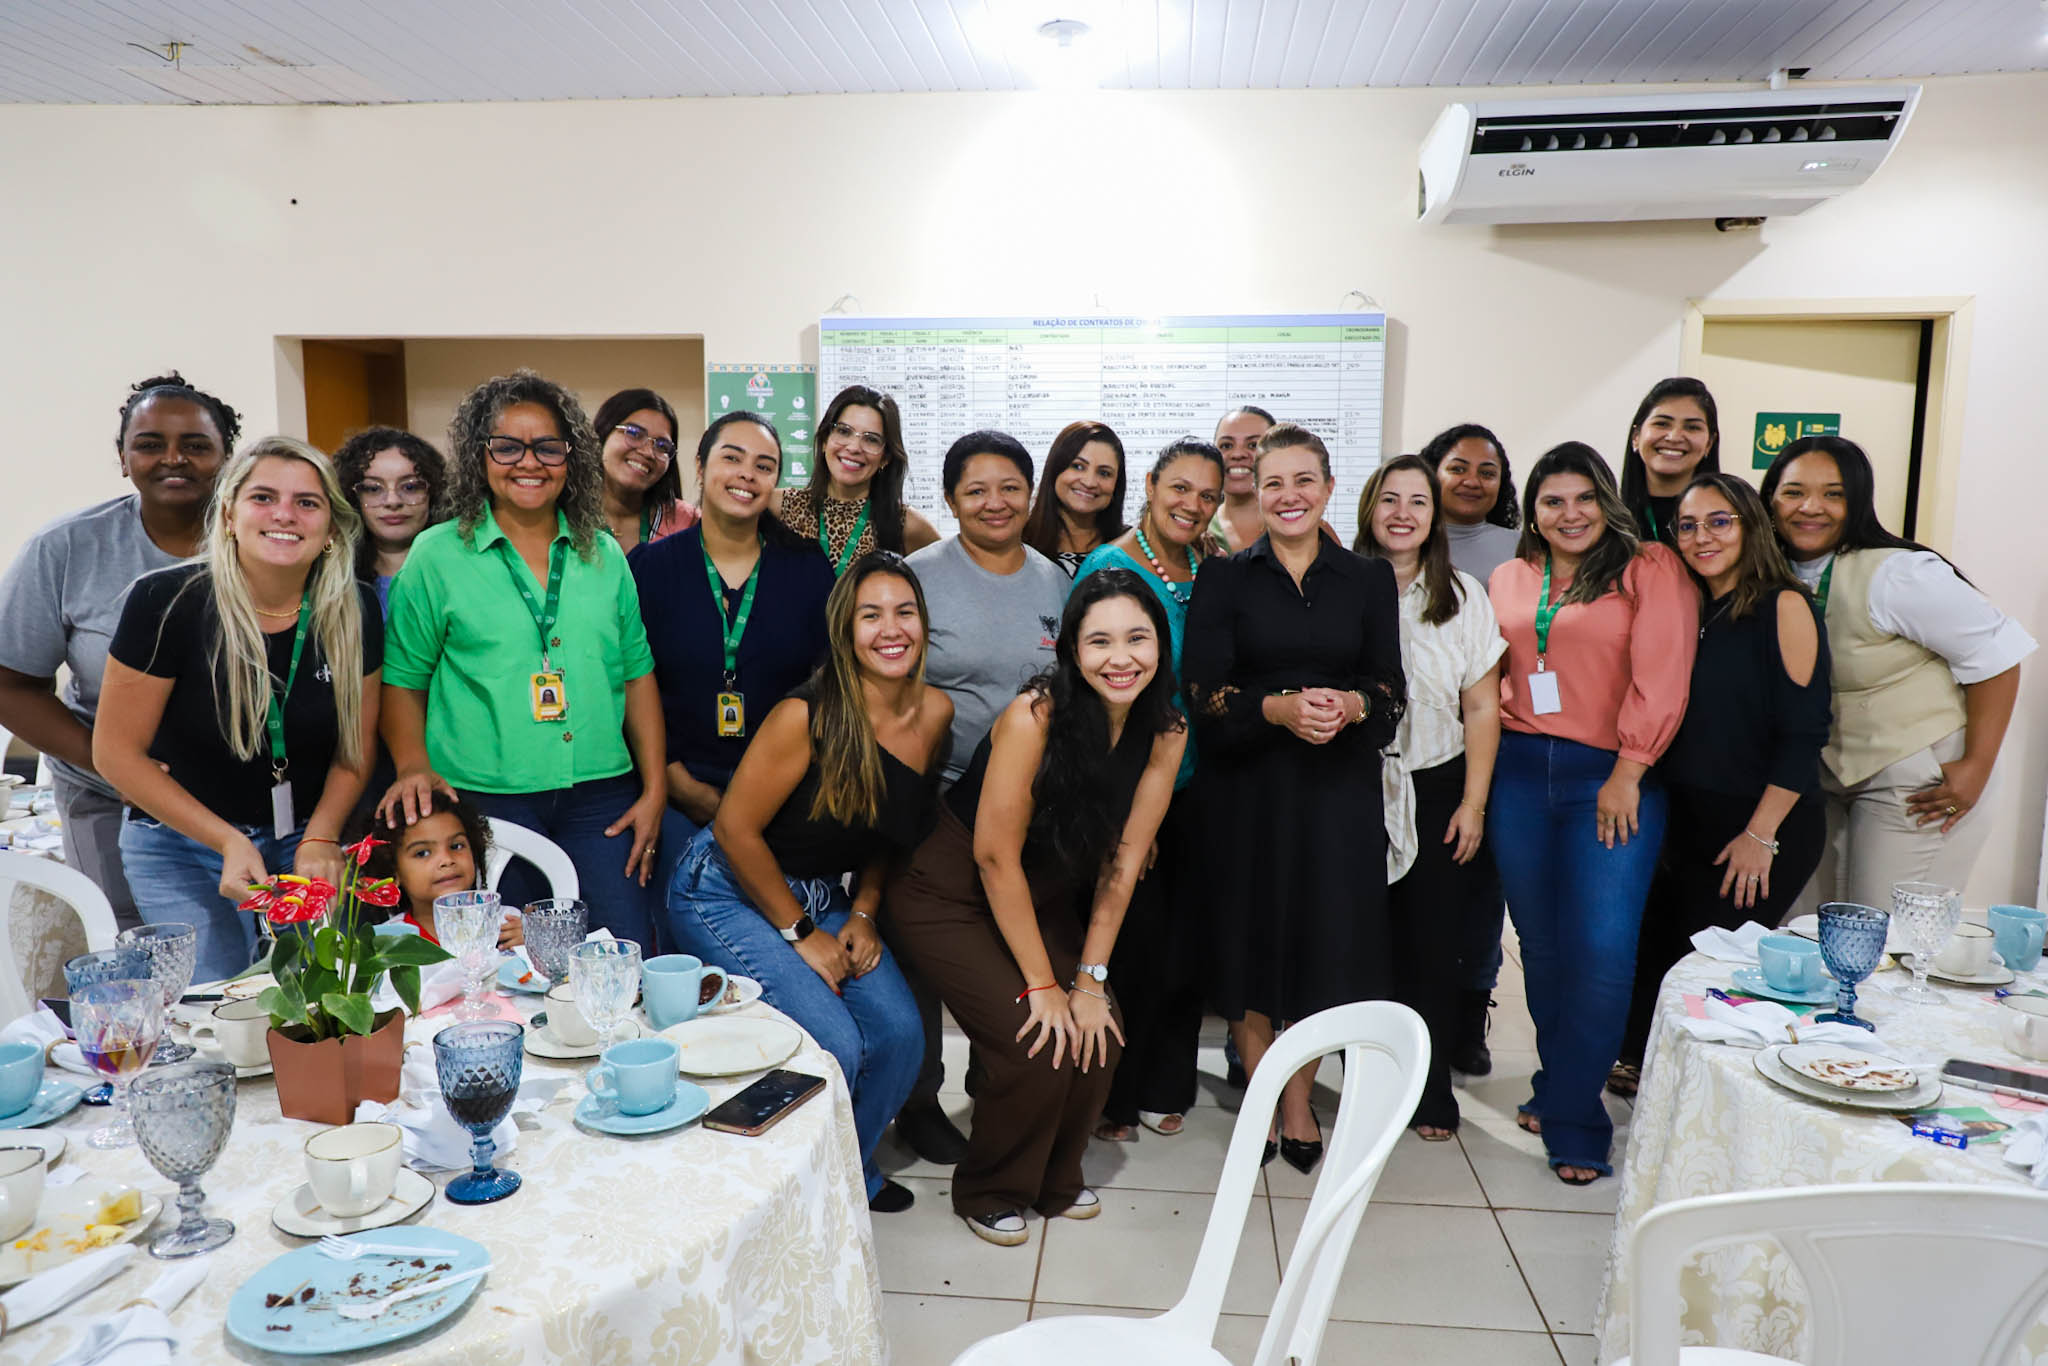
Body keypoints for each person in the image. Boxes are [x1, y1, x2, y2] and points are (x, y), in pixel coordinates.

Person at [889, 570, 1184, 1243]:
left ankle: (1055, 1175)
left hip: (1037, 889)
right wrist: (1045, 985)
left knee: (1099, 1032)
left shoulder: (1166, 731)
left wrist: (1089, 981)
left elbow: (1123, 864)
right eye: (1100, 641)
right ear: (1072, 649)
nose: (1120, 658)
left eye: (1137, 639)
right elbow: (994, 858)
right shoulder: (1035, 716)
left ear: (1160, 646)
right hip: (947, 888)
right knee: (1035, 1037)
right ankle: (991, 1188)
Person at [668, 553, 942, 1213]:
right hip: (723, 889)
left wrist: (865, 912)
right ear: (845, 632)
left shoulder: (935, 713)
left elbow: (894, 830)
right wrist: (800, 932)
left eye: (904, 611)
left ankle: (841, 1178)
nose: (891, 629)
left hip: (821, 892)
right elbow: (734, 828)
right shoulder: (807, 714)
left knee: (902, 1034)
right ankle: (788, 1202)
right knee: (835, 1043)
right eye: (870, 615)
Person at [1183, 423, 1406, 1175]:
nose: (1288, 495)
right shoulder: (1224, 578)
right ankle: (1263, 1097)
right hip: (1249, 790)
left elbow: (1390, 690)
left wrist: (1352, 704)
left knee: (1323, 947)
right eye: (1273, 481)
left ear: (1329, 488)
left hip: (1338, 792)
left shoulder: (1368, 580)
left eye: (1304, 480)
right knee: (1253, 945)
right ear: (1254, 489)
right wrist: (1277, 709)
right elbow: (1203, 693)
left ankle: (1298, 1104)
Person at [378, 371, 666, 949]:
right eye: (507, 446)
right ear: (479, 455)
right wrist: (412, 767)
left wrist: (654, 789)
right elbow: (403, 681)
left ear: (571, 457)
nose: (528, 462)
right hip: (484, 798)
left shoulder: (603, 554)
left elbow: (637, 676)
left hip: (603, 798)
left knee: (617, 954)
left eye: (547, 447)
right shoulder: (437, 555)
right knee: (510, 965)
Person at [94, 437, 381, 983]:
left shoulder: (355, 606)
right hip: (182, 842)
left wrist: (321, 836)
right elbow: (114, 753)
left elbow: (356, 748)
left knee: (328, 999)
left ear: (330, 528)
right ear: (229, 515)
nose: (284, 515)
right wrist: (227, 839)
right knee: (218, 1007)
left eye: (307, 502)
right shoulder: (166, 602)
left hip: (305, 833)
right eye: (263, 497)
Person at [1486, 442, 1697, 1184]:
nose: (1569, 513)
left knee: (1601, 951)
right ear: (1533, 511)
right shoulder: (1511, 576)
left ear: (1606, 501)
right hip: (1517, 772)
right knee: (1542, 948)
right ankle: (1559, 1083)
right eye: (1553, 500)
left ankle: (1577, 1120)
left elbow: (1664, 675)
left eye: (1583, 498)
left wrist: (1630, 769)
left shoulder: (1648, 567)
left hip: (1609, 777)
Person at [0, 373, 239, 935]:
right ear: (124, 457)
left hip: (242, 791)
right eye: (150, 444)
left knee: (255, 951)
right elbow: (11, 684)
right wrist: (113, 764)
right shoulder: (66, 548)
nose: (173, 459)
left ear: (227, 457)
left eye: (196, 445)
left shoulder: (264, 540)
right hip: (113, 799)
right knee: (141, 949)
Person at [1614, 474, 1830, 1095]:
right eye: (1687, 525)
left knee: (1714, 969)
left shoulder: (1783, 606)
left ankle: (1707, 1097)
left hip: (1760, 824)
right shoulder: (1690, 609)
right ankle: (1648, 1075)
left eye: (1719, 521)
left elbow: (1804, 735)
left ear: (1750, 526)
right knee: (1657, 954)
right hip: (1685, 821)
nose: (1701, 536)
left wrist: (1759, 836)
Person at [1762, 435, 2034, 910]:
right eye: (1793, 492)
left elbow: (1998, 657)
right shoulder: (1769, 574)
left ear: (1858, 502)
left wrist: (1976, 767)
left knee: (1888, 930)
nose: (1810, 507)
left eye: (1833, 493)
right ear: (1770, 500)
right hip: (1829, 778)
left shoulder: (1896, 574)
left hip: (1919, 778)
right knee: (1814, 927)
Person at [1072, 437, 1223, 1142]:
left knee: (1185, 943)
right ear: (1153, 485)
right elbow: (1089, 685)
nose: (1192, 504)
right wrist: (1130, 811)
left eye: (1208, 495)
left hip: (1201, 780)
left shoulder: (1210, 566)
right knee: (1134, 939)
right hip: (1133, 785)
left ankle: (1167, 1083)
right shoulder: (1110, 567)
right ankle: (1115, 1096)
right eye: (1180, 488)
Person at [1353, 455, 1505, 1139]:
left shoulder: (1464, 595)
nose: (1403, 513)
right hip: (1356, 784)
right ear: (1369, 508)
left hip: (1439, 781)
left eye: (1418, 501)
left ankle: (1428, 1088)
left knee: (1432, 944)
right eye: (1390, 499)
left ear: (1434, 516)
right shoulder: (1340, 584)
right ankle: (1366, 1084)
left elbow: (1482, 706)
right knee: (1362, 945)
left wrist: (1473, 804)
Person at [632, 412, 835, 892]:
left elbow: (828, 686)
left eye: (764, 466)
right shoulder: (649, 568)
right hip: (677, 785)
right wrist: (675, 782)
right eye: (732, 458)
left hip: (782, 789)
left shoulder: (808, 569)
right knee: (684, 903)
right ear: (700, 466)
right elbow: (630, 684)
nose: (747, 474)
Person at [1417, 421, 1519, 1075]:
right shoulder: (1398, 541)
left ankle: (1468, 1014)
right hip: (1415, 750)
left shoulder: (1519, 549)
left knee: (1481, 889)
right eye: (1458, 466)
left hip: (1492, 742)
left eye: (1487, 470)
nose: (1472, 480)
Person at [773, 384, 938, 570]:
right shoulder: (781, 507)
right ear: (825, 440)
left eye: (871, 439)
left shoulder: (906, 525)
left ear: (885, 457)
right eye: (844, 431)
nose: (854, 448)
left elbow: (951, 574)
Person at [341, 791, 521, 947]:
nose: (447, 860)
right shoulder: (388, 942)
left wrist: (528, 944)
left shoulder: (506, 924)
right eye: (422, 853)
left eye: (456, 846)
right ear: (393, 872)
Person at [334, 426, 448, 618]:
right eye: (373, 489)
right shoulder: (331, 579)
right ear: (352, 498)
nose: (393, 501)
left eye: (410, 487)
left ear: (434, 493)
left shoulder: (462, 571)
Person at [1619, 378, 1721, 548]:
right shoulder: (1607, 518)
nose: (1674, 437)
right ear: (1636, 436)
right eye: (1662, 424)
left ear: (1709, 443)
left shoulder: (1731, 518)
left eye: (1692, 427)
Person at [593, 387, 697, 552]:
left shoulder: (688, 523)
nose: (648, 452)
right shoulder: (563, 515)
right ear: (603, 433)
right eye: (634, 433)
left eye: (662, 446)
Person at [1022, 420, 1129, 577]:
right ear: (1055, 469)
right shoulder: (1018, 541)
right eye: (1078, 466)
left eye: (1104, 473)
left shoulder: (1131, 546)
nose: (1089, 482)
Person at [1210, 405, 1275, 552]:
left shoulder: (1301, 528)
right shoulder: (1195, 531)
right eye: (1226, 445)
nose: (1238, 454)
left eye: (1253, 445)